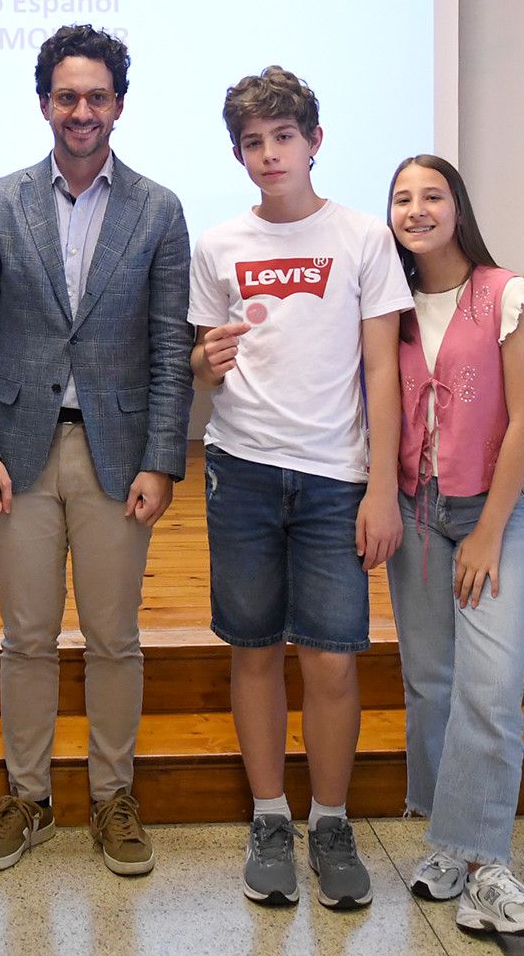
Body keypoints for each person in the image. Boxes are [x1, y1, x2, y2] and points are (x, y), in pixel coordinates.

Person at [0, 25, 194, 878]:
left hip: (119, 454)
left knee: (116, 636)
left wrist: (163, 458)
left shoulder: (158, 208)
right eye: (66, 95)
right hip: (18, 452)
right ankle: (29, 797)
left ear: (118, 104)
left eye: (96, 96)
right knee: (26, 635)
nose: (80, 110)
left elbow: (169, 344)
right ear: (44, 100)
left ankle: (113, 796)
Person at [187, 67, 411, 911]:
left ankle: (332, 820)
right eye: (253, 141)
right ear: (239, 152)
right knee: (252, 650)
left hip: (333, 478)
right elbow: (207, 363)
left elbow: (384, 367)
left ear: (314, 141)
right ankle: (270, 818)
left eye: (284, 136)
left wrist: (379, 486)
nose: (270, 153)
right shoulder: (217, 246)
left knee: (329, 658)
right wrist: (201, 365)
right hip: (240, 468)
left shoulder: (360, 237)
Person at [383, 155, 524, 939]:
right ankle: (447, 839)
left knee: (491, 685)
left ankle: (487, 866)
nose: (416, 210)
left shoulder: (506, 292)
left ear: (459, 207)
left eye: (432, 196)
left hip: (490, 513)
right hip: (414, 513)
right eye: (402, 198)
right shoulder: (387, 301)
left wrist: (489, 528)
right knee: (430, 682)